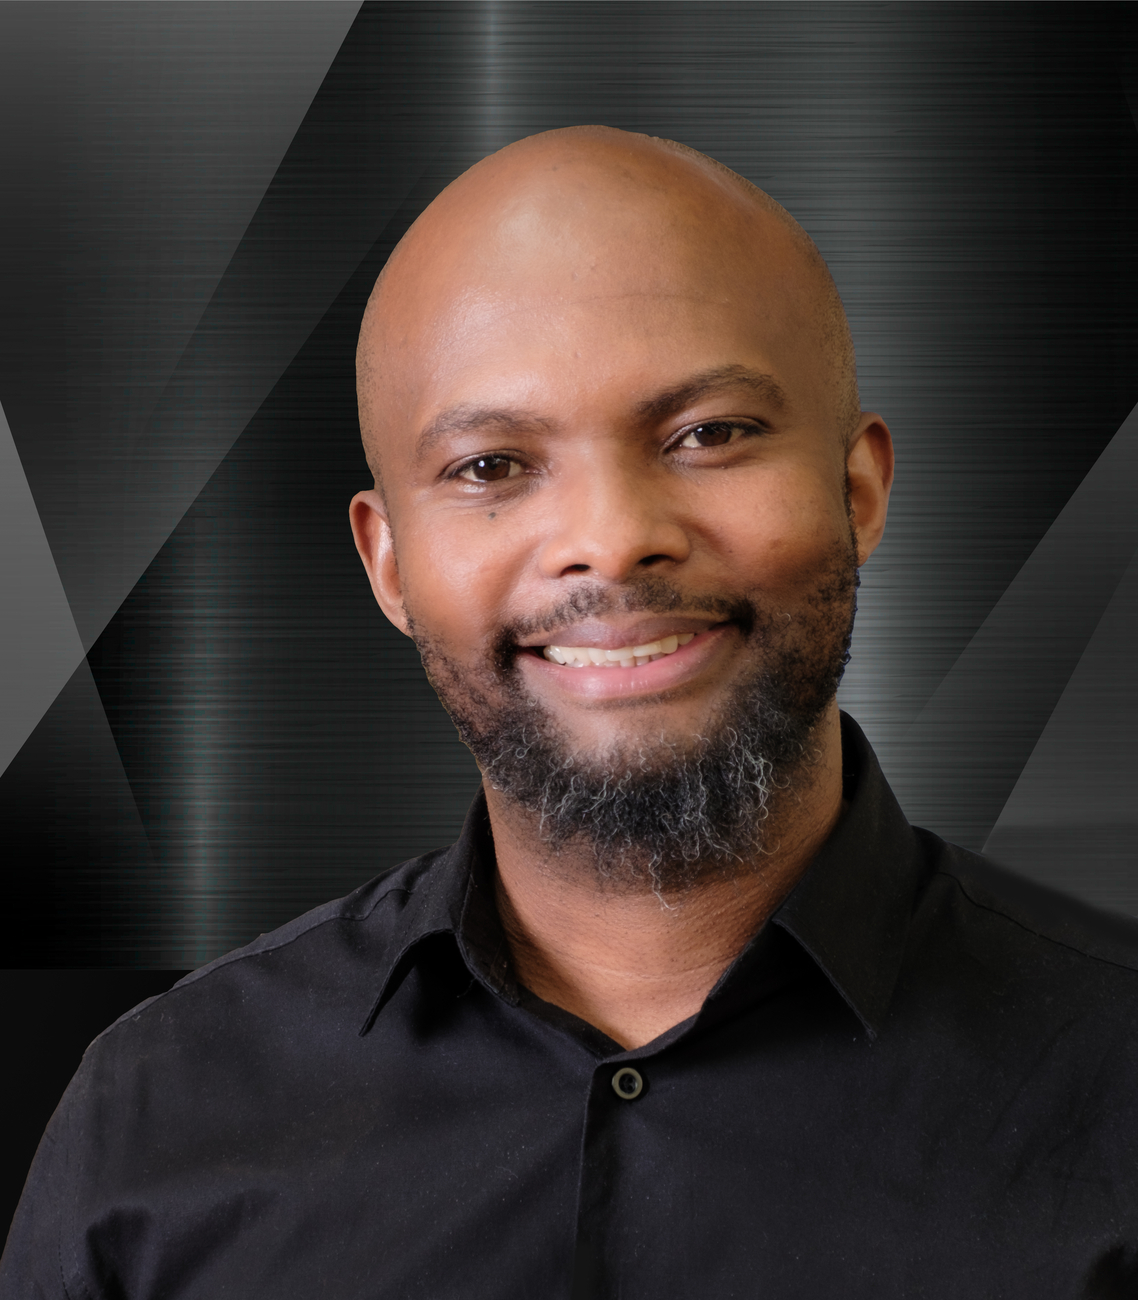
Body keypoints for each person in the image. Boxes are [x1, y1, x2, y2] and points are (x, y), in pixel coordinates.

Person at [4, 125, 1138, 1299]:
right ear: (388, 563)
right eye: (491, 466)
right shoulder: (155, 1117)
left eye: (707, 435)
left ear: (857, 492)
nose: (610, 537)